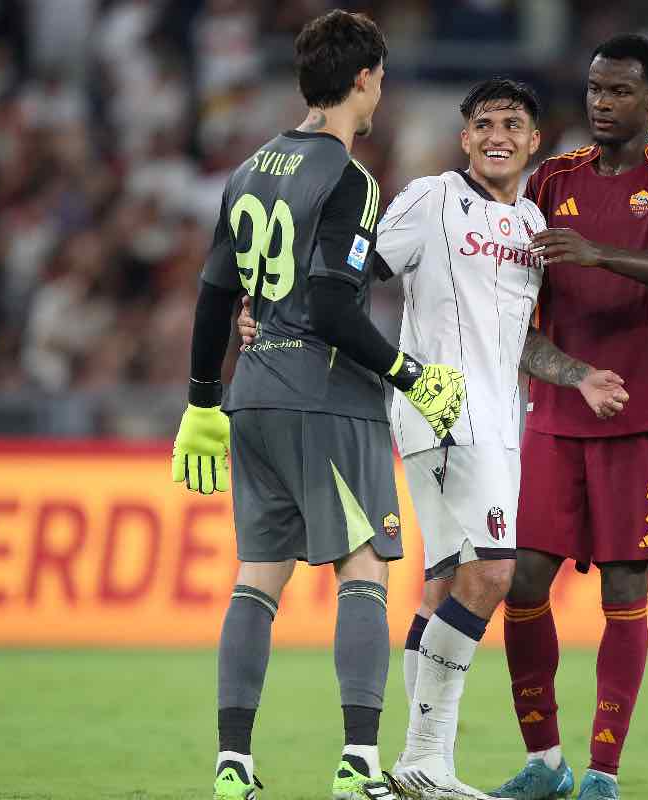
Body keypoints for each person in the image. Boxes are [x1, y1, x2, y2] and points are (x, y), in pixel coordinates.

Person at [237, 77, 630, 800]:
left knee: (446, 584)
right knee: (495, 574)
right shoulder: (431, 199)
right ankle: (426, 759)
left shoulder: (533, 228)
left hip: (498, 422)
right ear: (466, 138)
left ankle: (418, 764)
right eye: (484, 123)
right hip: (443, 411)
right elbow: (349, 275)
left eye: (513, 123)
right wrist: (268, 310)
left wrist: (575, 376)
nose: (498, 135)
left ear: (535, 140)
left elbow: (519, 341)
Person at [169, 11, 466, 800]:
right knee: (363, 568)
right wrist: (410, 374)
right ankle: (359, 763)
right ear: (366, 77)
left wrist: (204, 397)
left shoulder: (249, 168)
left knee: (257, 577)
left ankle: (233, 763)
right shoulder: (350, 177)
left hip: (253, 396)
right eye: (381, 78)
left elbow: (212, 295)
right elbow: (336, 310)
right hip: (327, 396)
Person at [491, 34, 648, 800]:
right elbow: (511, 294)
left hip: (641, 414)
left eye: (619, 91)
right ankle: (543, 761)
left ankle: (602, 773)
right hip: (556, 413)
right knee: (522, 582)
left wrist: (595, 254)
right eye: (594, 89)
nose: (601, 103)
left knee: (625, 592)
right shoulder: (551, 178)